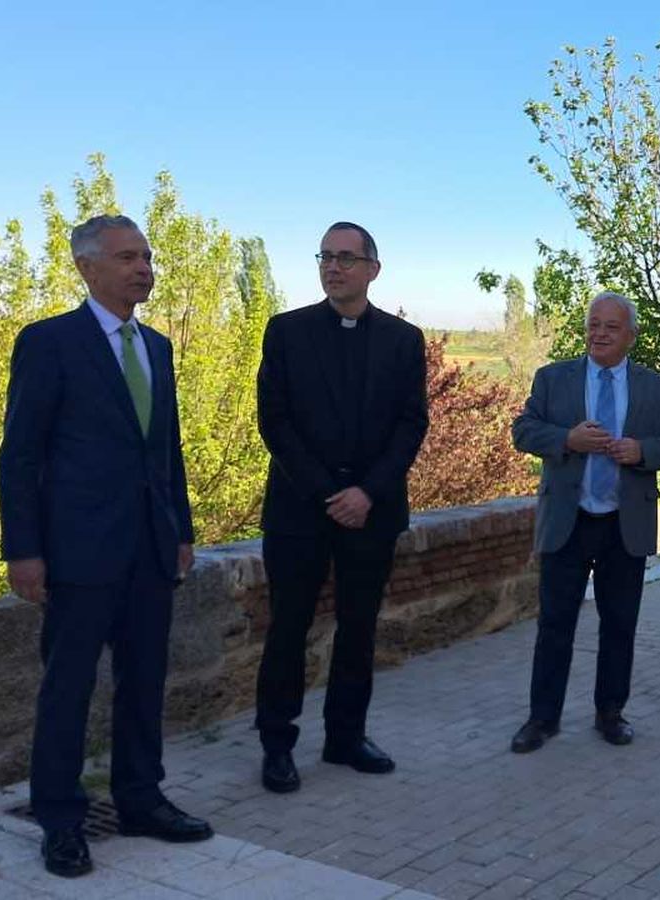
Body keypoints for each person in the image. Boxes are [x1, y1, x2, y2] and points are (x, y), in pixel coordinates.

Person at [0, 214, 213, 878]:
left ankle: (141, 799)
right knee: (68, 689)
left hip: (149, 550)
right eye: (127, 257)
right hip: (78, 553)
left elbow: (165, 453)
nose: (143, 268)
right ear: (88, 268)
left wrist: (180, 530)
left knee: (145, 681)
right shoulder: (50, 343)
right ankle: (60, 820)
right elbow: (21, 454)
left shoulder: (158, 348)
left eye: (146, 256)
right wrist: (24, 549)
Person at [254, 222, 428, 793]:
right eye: (326, 257)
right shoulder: (286, 331)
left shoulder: (404, 341)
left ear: (373, 269)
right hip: (301, 510)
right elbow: (275, 422)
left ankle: (345, 738)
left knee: (359, 627)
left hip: (371, 510)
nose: (334, 267)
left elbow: (410, 425)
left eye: (347, 259)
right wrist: (329, 493)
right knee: (288, 629)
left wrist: (367, 492)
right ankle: (277, 745)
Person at [508, 293, 660, 753]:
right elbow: (523, 431)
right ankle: (542, 718)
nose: (600, 333)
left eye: (611, 327)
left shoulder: (656, 387)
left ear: (630, 335)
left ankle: (611, 713)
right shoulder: (554, 379)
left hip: (623, 524)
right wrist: (566, 439)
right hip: (568, 520)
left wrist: (642, 452)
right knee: (555, 625)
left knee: (619, 624)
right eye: (594, 324)